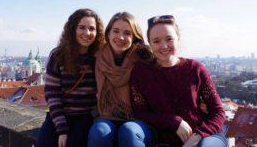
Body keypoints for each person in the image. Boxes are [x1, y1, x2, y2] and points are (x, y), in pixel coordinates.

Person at [129, 15, 227, 147]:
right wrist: (173, 121)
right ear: (150, 43)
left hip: (204, 136)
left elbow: (218, 112)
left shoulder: (194, 68)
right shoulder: (141, 72)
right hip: (161, 135)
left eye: (169, 39)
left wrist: (197, 136)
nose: (164, 46)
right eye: (156, 41)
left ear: (178, 39)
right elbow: (140, 112)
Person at [36, 9, 105, 147]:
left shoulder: (100, 56)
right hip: (60, 115)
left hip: (87, 116)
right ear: (72, 29)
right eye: (82, 28)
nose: (87, 33)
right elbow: (52, 94)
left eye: (92, 29)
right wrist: (61, 128)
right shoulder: (58, 55)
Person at [88, 12, 157, 147]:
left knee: (129, 131)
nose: (120, 37)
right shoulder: (99, 59)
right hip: (108, 116)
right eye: (116, 31)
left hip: (141, 121)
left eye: (127, 33)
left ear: (134, 37)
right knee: (99, 131)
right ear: (108, 34)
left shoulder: (146, 60)